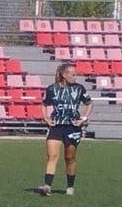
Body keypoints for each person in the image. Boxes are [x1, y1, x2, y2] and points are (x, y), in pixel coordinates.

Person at [38, 63, 91, 195]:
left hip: (72, 127)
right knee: (52, 156)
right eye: (72, 74)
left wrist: (83, 118)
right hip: (56, 126)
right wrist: (46, 118)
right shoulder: (52, 89)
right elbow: (44, 104)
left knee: (70, 158)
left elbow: (89, 103)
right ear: (64, 75)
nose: (75, 77)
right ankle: (47, 186)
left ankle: (70, 186)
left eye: (75, 74)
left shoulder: (79, 89)